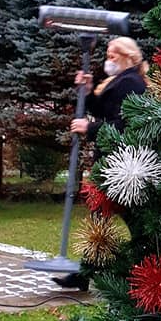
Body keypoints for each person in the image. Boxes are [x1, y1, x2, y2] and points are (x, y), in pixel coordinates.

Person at [53, 36, 148, 290]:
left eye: (112, 54)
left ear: (127, 56)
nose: (109, 59)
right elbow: (105, 110)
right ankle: (86, 273)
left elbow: (124, 124)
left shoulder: (131, 82)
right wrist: (88, 90)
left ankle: (145, 262)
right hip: (111, 161)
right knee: (101, 216)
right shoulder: (121, 80)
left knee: (130, 219)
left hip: (119, 164)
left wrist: (90, 127)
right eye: (107, 54)